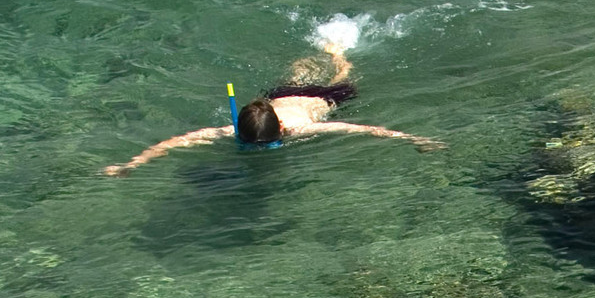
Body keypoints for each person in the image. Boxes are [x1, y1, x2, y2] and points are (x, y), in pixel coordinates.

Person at [101, 40, 442, 174]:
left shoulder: (300, 127)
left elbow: (176, 142)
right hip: (297, 97)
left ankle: (339, 53)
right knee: (304, 75)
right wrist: (412, 139)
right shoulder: (296, 129)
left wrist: (133, 163)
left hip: (321, 96)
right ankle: (333, 53)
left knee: (342, 74)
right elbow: (363, 131)